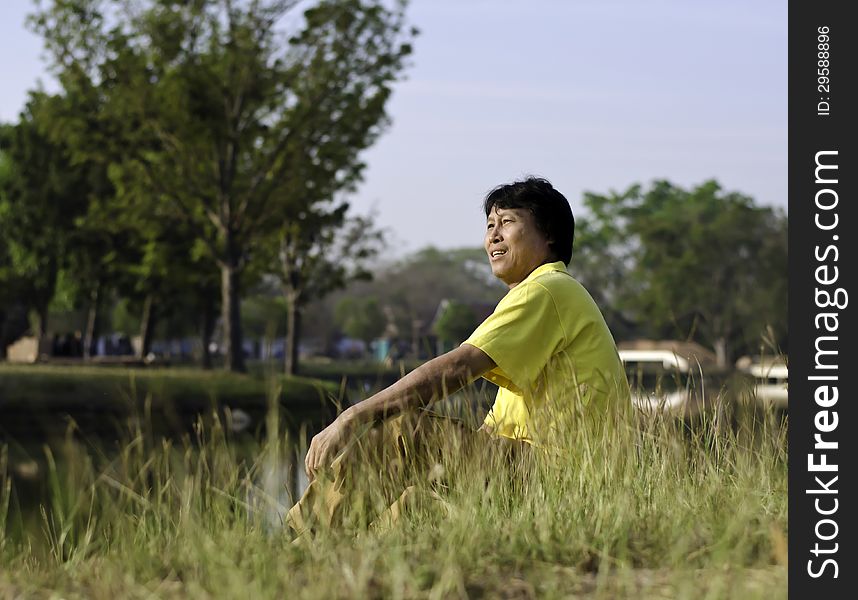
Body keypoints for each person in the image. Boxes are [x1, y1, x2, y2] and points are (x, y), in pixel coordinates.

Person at [288, 176, 629, 533]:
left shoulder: (547, 288)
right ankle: (311, 561)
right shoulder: (547, 294)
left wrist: (351, 418)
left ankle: (298, 536)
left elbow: (458, 367)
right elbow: (489, 437)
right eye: (489, 226)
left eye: (508, 222)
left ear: (550, 235)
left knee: (403, 430)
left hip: (557, 476)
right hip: (557, 477)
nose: (493, 236)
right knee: (415, 504)